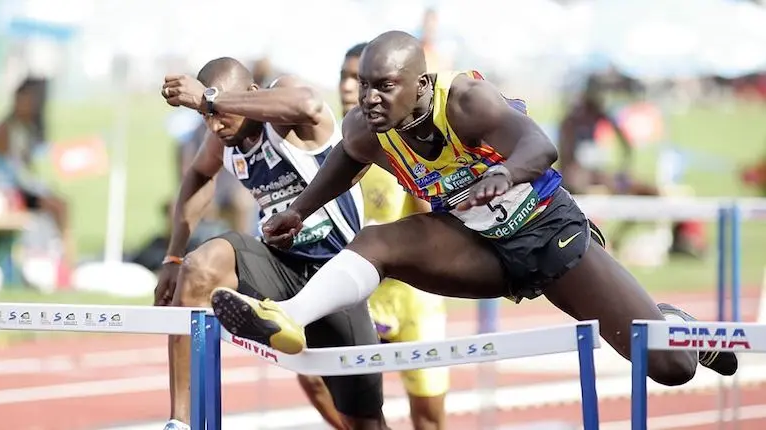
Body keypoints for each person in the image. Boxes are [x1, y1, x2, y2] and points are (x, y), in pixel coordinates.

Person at [210, 31, 739, 391]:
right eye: (366, 85)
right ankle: (287, 318)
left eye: (384, 87)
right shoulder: (364, 127)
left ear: (420, 84)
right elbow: (344, 163)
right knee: (378, 243)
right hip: (475, 244)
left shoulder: (467, 101)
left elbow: (540, 146)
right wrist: (300, 210)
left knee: (670, 368)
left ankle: (674, 322)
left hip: (546, 231)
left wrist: (505, 173)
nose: (370, 98)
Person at [154, 57, 388, 430]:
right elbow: (198, 174)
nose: (214, 124)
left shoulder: (284, 117)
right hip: (279, 268)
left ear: (250, 95)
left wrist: (212, 99)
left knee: (364, 421)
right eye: (205, 116)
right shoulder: (222, 140)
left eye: (218, 113)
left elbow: (307, 105)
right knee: (200, 267)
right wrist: (173, 255)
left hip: (338, 273)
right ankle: (179, 422)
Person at [294, 42, 449, 430]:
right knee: (312, 375)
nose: (351, 88)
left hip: (411, 294)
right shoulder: (323, 148)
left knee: (429, 419)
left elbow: (429, 222)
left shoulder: (397, 143)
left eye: (360, 79)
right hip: (355, 294)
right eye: (348, 78)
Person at [557, 77, 705, 258]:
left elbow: (624, 143)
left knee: (650, 191)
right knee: (611, 186)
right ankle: (611, 240)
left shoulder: (599, 116)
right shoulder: (573, 121)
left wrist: (622, 166)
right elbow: (570, 164)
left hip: (599, 177)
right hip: (579, 178)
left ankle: (681, 238)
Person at [0, 76, 75, 266]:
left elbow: (24, 166)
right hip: (8, 191)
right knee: (58, 207)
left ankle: (64, 261)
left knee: (60, 206)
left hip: (19, 187)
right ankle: (66, 264)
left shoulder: (26, 128)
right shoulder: (6, 127)